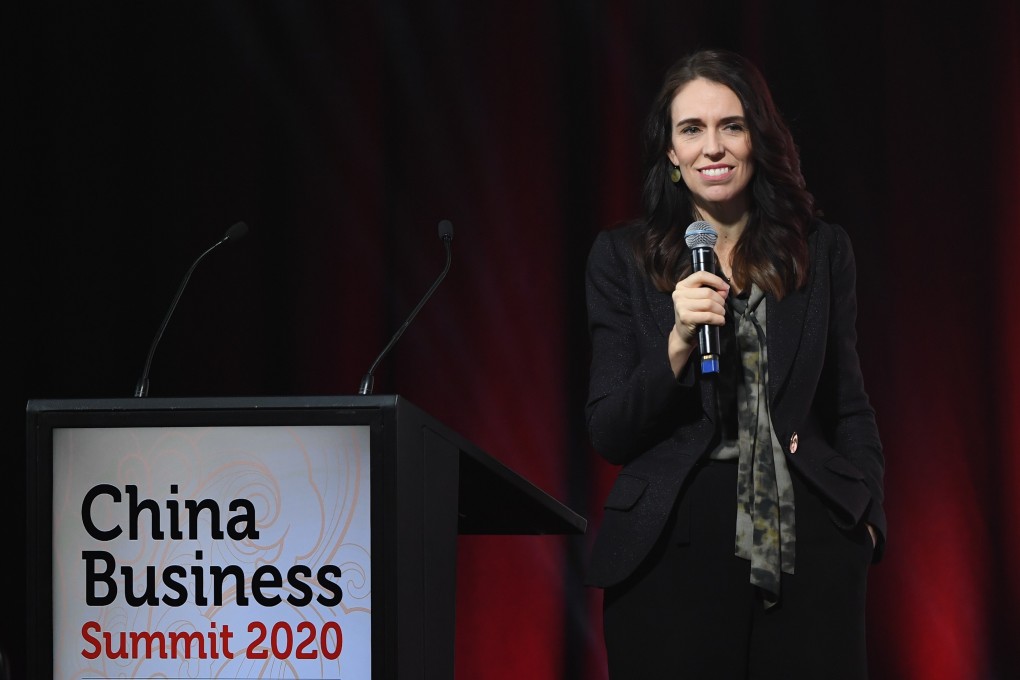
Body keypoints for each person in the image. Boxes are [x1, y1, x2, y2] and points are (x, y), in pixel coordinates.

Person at [584, 49, 885, 679]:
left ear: (758, 139)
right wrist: (675, 343)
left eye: (732, 126)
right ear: (669, 152)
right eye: (691, 129)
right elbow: (609, 429)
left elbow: (848, 404)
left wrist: (866, 526)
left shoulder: (820, 251)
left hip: (810, 540)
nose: (712, 148)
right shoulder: (622, 257)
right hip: (674, 539)